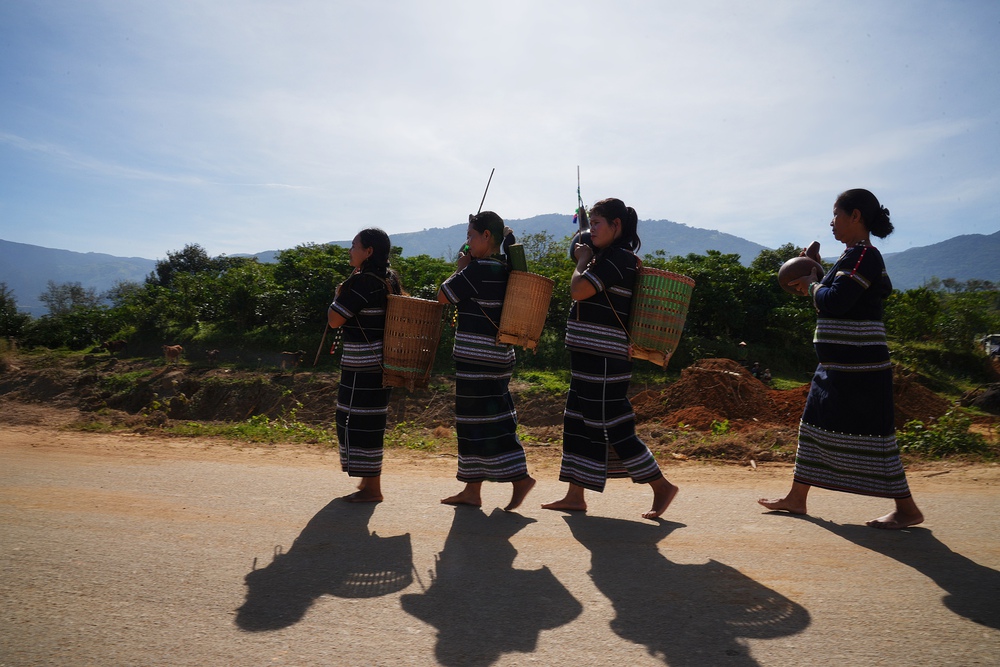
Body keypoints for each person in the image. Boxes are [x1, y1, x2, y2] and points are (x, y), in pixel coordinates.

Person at [758, 189, 924, 529]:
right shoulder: (853, 258)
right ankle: (797, 498)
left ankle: (907, 510)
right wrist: (818, 275)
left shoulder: (864, 256)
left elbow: (835, 302)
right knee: (813, 427)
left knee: (876, 438)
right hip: (837, 367)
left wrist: (813, 284)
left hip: (861, 370)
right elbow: (853, 294)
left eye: (836, 214)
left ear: (855, 216)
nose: (831, 222)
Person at [541, 198, 679, 520]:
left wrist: (582, 260)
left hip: (605, 360)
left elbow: (578, 290)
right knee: (577, 422)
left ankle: (661, 486)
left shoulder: (620, 259)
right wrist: (586, 249)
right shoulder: (606, 256)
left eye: (597, 223)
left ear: (616, 225)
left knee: (613, 426)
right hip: (588, 356)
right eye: (589, 223)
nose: (591, 229)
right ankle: (575, 496)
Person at [436, 211, 536, 511]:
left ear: (486, 236)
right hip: (499, 357)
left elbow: (443, 296)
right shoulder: (504, 268)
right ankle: (472, 489)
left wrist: (460, 268)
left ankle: (519, 477)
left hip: (477, 361)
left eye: (470, 236)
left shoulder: (477, 270)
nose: (467, 242)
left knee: (483, 423)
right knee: (483, 421)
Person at [327, 228, 404, 502]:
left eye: (354, 246)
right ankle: (368, 481)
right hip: (381, 364)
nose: (350, 251)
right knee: (369, 422)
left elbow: (335, 319)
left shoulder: (363, 283)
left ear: (368, 252)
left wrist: (338, 295)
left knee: (356, 423)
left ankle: (373, 489)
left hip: (362, 367)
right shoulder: (389, 279)